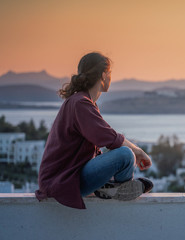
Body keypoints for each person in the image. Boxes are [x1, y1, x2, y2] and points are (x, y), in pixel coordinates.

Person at [35, 52, 153, 209]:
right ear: (104, 75)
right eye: (110, 74)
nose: (110, 78)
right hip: (64, 180)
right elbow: (110, 138)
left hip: (69, 176)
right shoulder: (80, 104)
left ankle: (116, 188)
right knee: (125, 154)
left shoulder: (81, 101)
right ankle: (120, 190)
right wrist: (139, 151)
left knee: (126, 156)